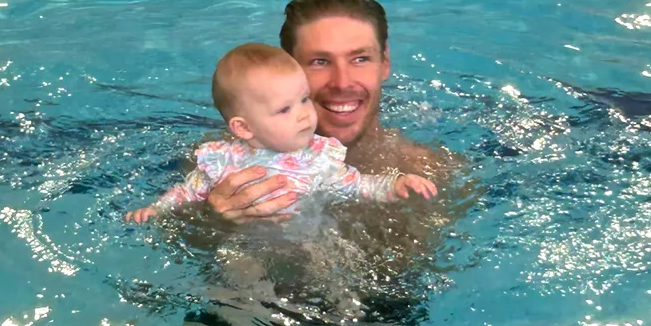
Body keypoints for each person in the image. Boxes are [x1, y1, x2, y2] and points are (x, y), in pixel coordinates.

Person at [134, 0, 465, 326]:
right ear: (288, 69)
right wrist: (214, 223)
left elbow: (432, 270)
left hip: (380, 313)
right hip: (261, 300)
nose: (341, 83)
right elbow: (171, 243)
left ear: (385, 63)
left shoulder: (428, 167)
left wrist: (390, 225)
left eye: (360, 58)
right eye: (318, 62)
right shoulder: (228, 167)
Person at [125, 43, 436, 224]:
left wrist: (396, 185)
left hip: (306, 243)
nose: (304, 112)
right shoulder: (221, 161)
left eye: (304, 99)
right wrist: (156, 210)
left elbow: (359, 186)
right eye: (285, 109)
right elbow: (186, 192)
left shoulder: (320, 157)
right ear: (243, 127)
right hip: (245, 246)